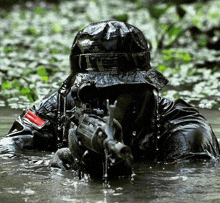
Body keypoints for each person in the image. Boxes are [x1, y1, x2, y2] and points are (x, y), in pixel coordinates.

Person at [1, 21, 219, 179]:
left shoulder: (183, 129)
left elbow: (190, 186)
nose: (100, 103)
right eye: (90, 91)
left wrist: (130, 174)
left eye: (112, 92)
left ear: (142, 89)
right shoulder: (57, 107)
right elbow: (6, 155)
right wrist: (49, 164)